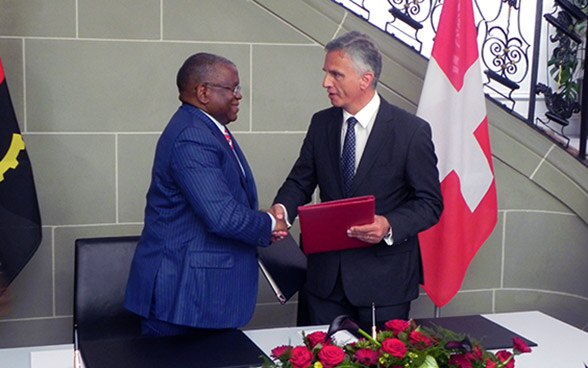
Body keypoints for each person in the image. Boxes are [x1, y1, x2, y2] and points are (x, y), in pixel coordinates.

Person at [272, 31, 443, 327]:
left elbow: (430, 203)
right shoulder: (321, 123)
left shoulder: (410, 131)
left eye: (336, 74)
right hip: (322, 282)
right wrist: (281, 212)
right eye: (326, 73)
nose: (326, 83)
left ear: (365, 79)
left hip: (384, 284)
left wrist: (388, 224)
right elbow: (300, 181)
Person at [124, 52, 287, 337]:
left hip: (200, 294)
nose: (239, 96)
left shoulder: (207, 128)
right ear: (203, 92)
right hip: (184, 296)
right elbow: (222, 216)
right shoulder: (192, 135)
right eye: (232, 88)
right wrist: (270, 224)